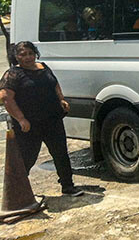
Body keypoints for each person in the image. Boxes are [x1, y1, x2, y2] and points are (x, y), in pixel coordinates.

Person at [0, 41, 83, 196]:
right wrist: (21, 119)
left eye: (30, 53)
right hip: (29, 124)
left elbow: (54, 84)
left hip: (52, 120)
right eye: (22, 54)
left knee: (61, 153)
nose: (27, 57)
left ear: (35, 54)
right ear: (16, 56)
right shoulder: (12, 74)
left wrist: (61, 99)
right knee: (27, 157)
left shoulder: (43, 67)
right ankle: (17, 192)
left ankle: (68, 185)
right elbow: (6, 98)